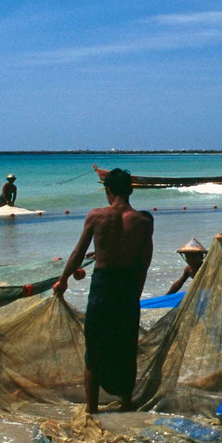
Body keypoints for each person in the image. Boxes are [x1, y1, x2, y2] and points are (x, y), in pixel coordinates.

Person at [53, 168, 154, 414]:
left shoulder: (96, 216)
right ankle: (126, 402)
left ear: (107, 191)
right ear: (130, 190)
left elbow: (78, 252)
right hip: (127, 287)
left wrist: (63, 280)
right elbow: (144, 261)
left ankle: (91, 408)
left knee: (95, 348)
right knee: (126, 346)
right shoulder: (143, 221)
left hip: (103, 286)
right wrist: (136, 293)